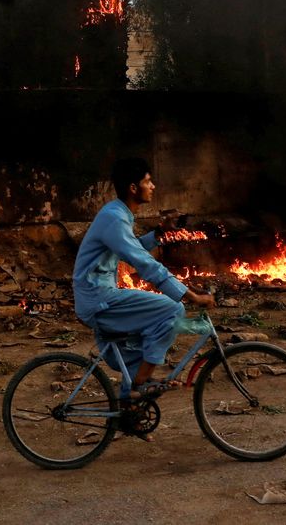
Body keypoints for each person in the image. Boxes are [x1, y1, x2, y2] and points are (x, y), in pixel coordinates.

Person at [72, 158, 214, 399]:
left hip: (99, 295)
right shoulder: (115, 218)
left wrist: (159, 233)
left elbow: (131, 248)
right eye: (148, 181)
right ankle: (138, 385)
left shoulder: (117, 214)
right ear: (133, 188)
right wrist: (189, 296)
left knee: (149, 336)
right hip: (99, 298)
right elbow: (144, 263)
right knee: (172, 310)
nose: (153, 186)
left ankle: (132, 409)